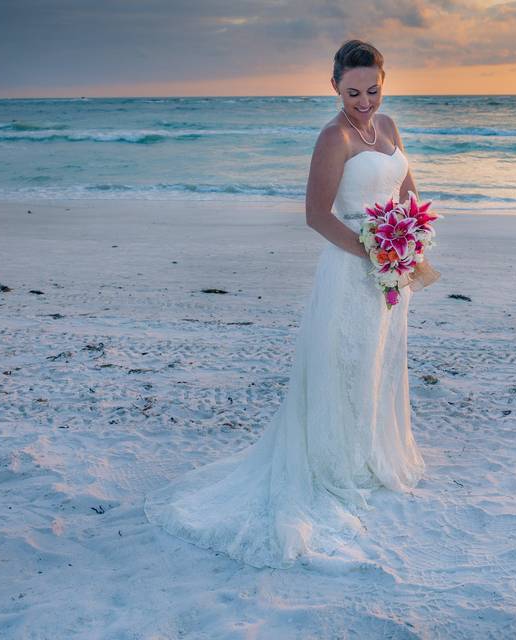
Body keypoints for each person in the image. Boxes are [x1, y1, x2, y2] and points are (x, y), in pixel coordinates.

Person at [144, 40, 432, 570]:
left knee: (379, 363)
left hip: (389, 271)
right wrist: (375, 251)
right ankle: (334, 464)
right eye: (352, 92)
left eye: (372, 90)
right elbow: (317, 216)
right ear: (334, 87)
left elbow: (406, 191)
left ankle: (369, 454)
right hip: (352, 271)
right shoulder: (333, 137)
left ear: (383, 85)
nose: (364, 101)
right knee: (343, 365)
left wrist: (408, 238)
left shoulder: (388, 127)